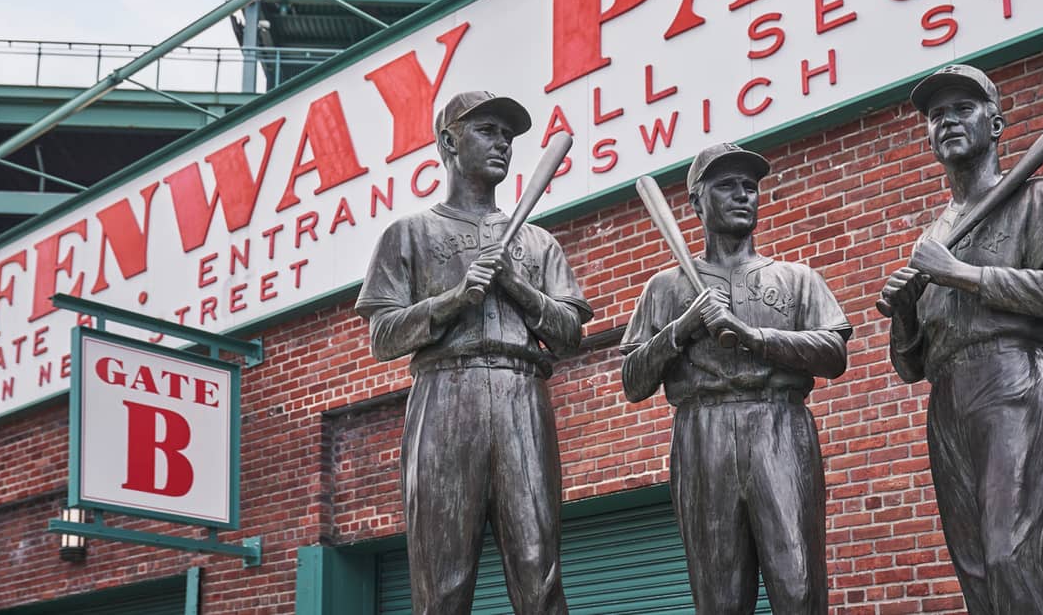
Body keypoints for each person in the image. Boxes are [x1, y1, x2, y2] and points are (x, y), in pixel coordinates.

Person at [355, 91, 592, 615]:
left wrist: (518, 286)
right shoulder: (410, 234)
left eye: (508, 135)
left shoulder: (536, 243)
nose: (503, 143)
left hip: (521, 394)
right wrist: (453, 298)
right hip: (443, 394)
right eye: (487, 130)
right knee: (442, 580)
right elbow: (383, 337)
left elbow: (571, 333)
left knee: (540, 573)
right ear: (448, 141)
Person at [881, 64, 1043, 614]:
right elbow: (912, 367)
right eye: (936, 115)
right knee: (975, 569)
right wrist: (903, 316)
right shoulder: (935, 234)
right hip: (949, 394)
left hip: (1015, 377)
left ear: (995, 124)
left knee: (1009, 557)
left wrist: (959, 273)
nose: (947, 120)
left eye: (962, 109)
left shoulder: (1037, 196)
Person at [620, 143, 851, 615]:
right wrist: (682, 329)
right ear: (696, 201)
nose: (743, 195)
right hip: (703, 432)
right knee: (719, 596)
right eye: (727, 186)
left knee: (799, 585)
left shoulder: (796, 277)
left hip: (780, 425)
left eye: (750, 186)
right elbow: (633, 380)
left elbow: (833, 354)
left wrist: (753, 336)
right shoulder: (666, 288)